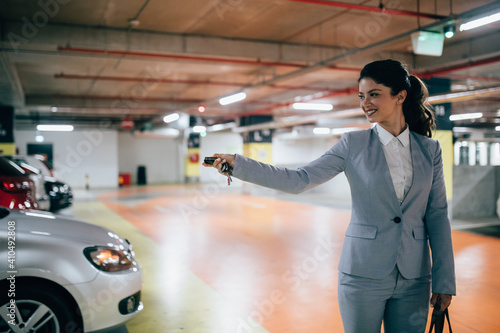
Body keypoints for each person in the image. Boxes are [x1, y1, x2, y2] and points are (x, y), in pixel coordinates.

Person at [202, 59, 456, 333]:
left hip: (415, 278)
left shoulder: (430, 150)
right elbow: (300, 180)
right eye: (361, 96)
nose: (365, 103)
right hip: (362, 274)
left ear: (400, 96)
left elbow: (437, 215)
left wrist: (444, 280)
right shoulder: (352, 145)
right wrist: (240, 165)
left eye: (374, 94)